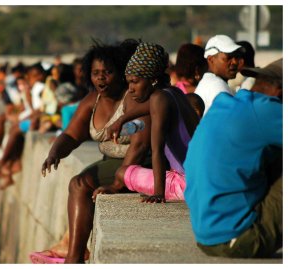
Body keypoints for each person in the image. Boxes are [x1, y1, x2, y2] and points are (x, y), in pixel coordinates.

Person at [35, 39, 151, 264]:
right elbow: (71, 135)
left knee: (79, 183)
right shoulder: (92, 101)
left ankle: (74, 257)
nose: (100, 78)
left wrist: (118, 183)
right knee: (81, 182)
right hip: (110, 162)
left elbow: (140, 145)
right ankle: (74, 251)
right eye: (95, 72)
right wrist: (54, 153)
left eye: (107, 72)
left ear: (121, 73)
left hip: (140, 163)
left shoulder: (133, 97)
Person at [184, 58, 282, 258]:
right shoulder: (267, 109)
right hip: (238, 238)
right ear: (279, 91)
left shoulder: (226, 106)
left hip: (206, 237)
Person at [93, 42, 199, 203]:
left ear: (153, 80)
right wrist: (122, 120)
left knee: (122, 172)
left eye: (135, 81)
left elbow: (157, 150)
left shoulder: (158, 98)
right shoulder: (174, 93)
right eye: (128, 82)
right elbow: (150, 107)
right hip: (204, 179)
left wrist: (158, 193)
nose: (130, 88)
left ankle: (157, 188)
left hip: (187, 186)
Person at [195, 34, 242, 115]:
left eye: (236, 57)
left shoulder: (210, 82)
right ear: (211, 59)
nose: (235, 62)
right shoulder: (216, 86)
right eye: (228, 57)